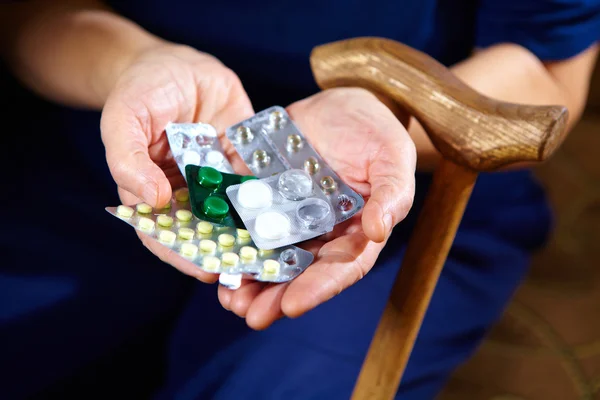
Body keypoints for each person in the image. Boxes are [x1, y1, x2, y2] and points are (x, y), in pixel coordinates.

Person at [0, 0, 598, 399]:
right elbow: (27, 14)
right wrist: (135, 65)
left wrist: (394, 113)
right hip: (124, 149)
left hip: (410, 187)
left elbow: (548, 67)